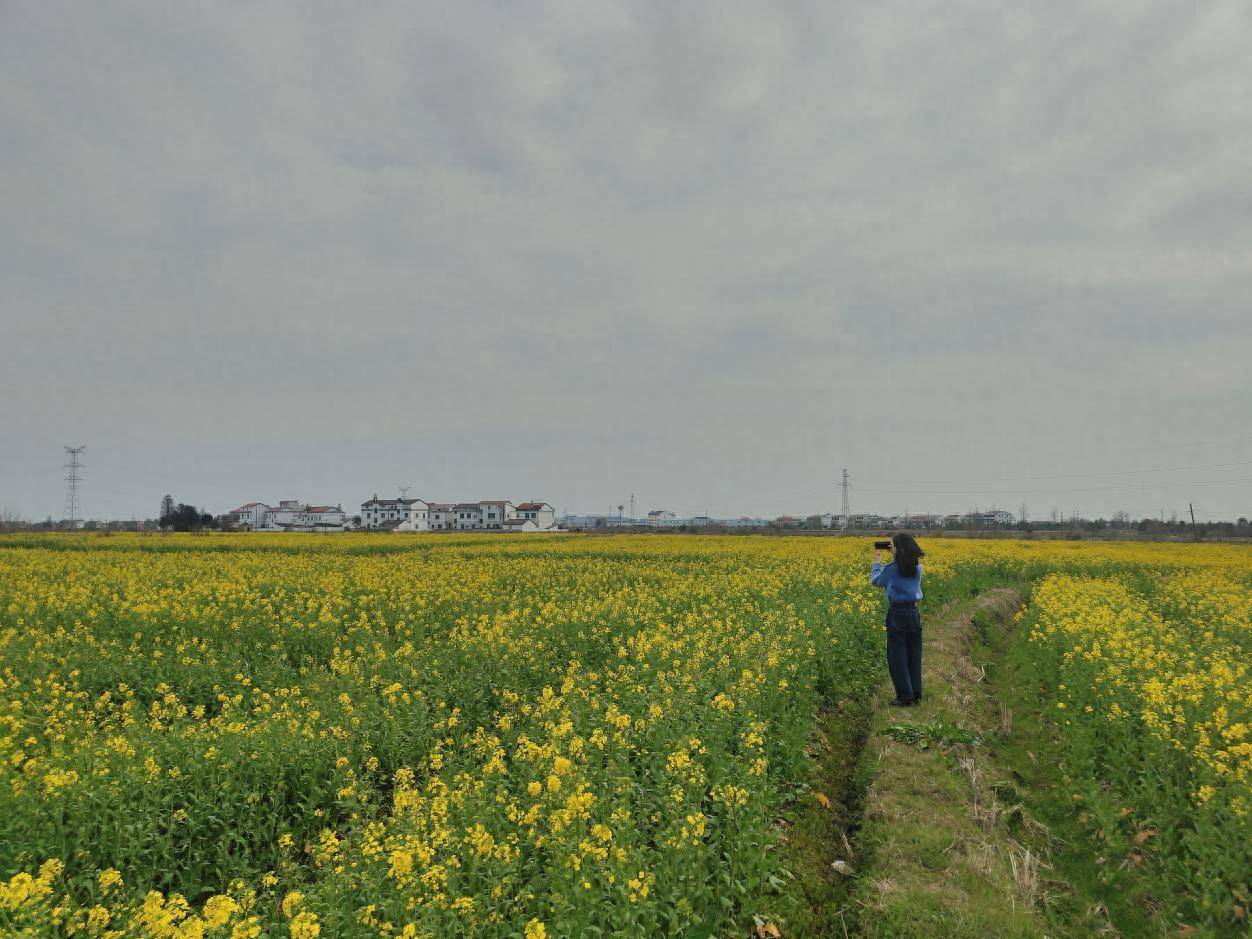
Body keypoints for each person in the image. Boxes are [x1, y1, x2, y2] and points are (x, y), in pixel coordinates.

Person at [870, 533, 925, 707]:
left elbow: (876, 581)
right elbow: (905, 565)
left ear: (898, 549)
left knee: (897, 657)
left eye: (893, 545)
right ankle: (916, 693)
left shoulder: (891, 568)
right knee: (914, 655)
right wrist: (895, 551)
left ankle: (904, 696)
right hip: (914, 613)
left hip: (897, 614)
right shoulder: (918, 568)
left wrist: (877, 563)